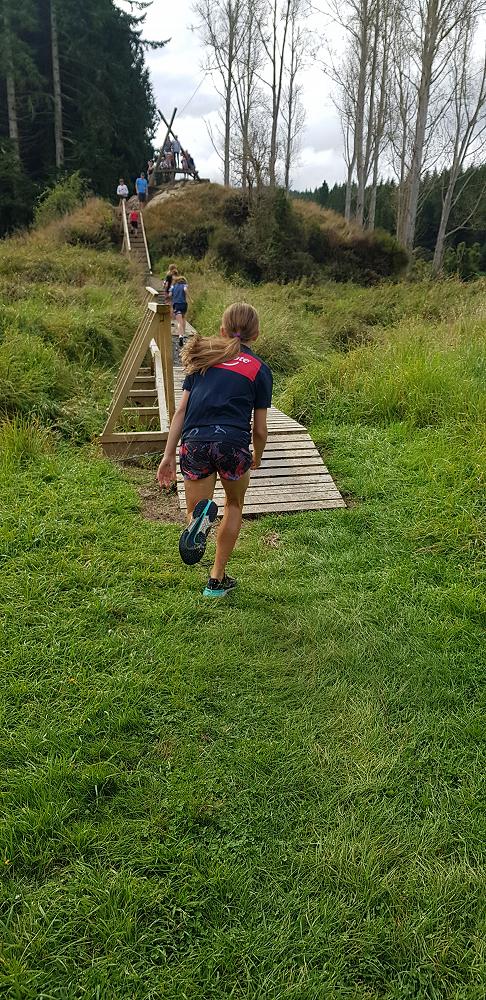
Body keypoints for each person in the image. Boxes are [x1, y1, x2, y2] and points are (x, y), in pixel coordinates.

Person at [157, 303, 272, 597]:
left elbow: (181, 411)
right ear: (256, 334)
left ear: (222, 330)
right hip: (231, 444)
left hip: (195, 441)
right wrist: (257, 455)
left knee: (196, 511)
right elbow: (260, 429)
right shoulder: (259, 369)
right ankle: (216, 579)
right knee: (233, 505)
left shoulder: (203, 358)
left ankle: (200, 523)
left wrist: (168, 455)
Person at [171, 274, 188, 347]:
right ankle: (183, 334)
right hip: (184, 304)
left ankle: (180, 336)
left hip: (176, 305)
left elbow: (170, 294)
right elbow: (185, 290)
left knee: (179, 322)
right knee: (183, 318)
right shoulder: (184, 285)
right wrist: (190, 298)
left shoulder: (173, 287)